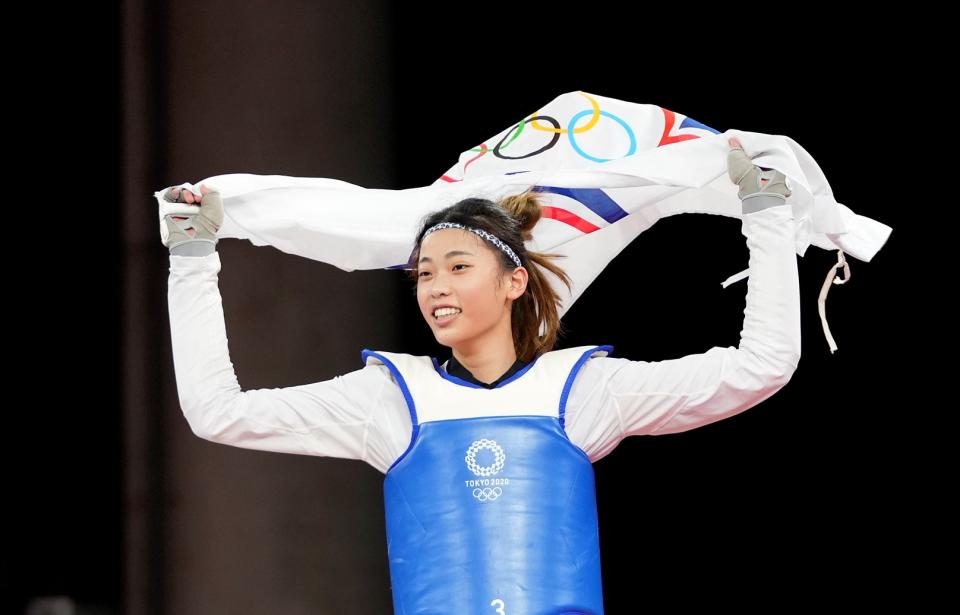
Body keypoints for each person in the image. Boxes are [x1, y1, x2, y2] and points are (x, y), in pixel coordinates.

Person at [160, 137, 800, 614]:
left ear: (514, 281)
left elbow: (761, 366)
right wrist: (191, 257)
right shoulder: (387, 397)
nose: (435, 286)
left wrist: (766, 211)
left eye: (457, 266)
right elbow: (218, 411)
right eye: (425, 272)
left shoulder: (583, 390)